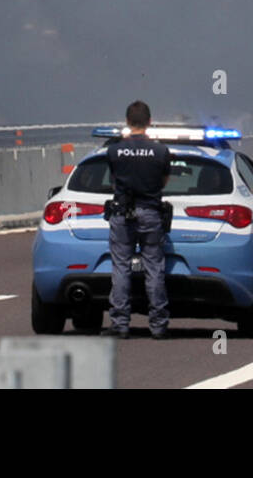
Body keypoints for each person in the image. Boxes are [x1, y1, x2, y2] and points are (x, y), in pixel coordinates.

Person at [102, 100, 170, 340]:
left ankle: (120, 324)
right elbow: (164, 181)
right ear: (149, 122)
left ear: (127, 122)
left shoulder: (114, 150)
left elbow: (113, 180)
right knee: (154, 269)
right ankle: (159, 325)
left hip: (122, 213)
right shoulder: (160, 151)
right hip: (151, 212)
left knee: (121, 267)